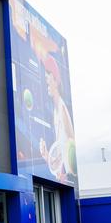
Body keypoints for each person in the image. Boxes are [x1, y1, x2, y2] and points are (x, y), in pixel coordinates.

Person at [39, 54, 77, 182]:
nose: (46, 82)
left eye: (47, 77)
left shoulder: (62, 109)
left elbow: (72, 147)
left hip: (66, 178)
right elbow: (60, 157)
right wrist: (47, 156)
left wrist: (66, 174)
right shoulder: (56, 111)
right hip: (62, 178)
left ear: (55, 79)